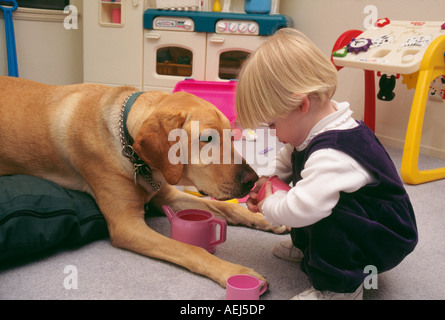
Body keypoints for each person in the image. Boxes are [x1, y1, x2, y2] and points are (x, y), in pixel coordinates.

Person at [235, 28, 418, 300]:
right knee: (304, 189)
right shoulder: (316, 129)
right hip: (368, 223)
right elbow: (289, 159)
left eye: (272, 124)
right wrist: (268, 178)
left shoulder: (333, 153)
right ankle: (311, 248)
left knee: (314, 206)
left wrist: (269, 206)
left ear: (302, 105)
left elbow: (304, 207)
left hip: (383, 238)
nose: (272, 133)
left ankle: (339, 286)